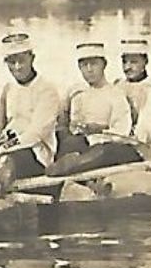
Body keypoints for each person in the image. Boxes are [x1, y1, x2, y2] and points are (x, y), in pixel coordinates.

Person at [0, 30, 62, 197]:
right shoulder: (9, 88)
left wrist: (0, 151)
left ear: (32, 58)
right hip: (6, 145)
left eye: (22, 60)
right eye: (12, 62)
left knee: (9, 161)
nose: (17, 67)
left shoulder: (47, 90)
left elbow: (35, 134)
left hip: (35, 153)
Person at [47, 40, 143, 177]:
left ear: (104, 65)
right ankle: (65, 164)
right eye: (84, 65)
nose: (89, 69)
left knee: (105, 151)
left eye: (94, 64)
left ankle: (74, 165)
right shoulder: (75, 92)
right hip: (80, 144)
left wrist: (99, 129)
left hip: (106, 144)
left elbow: (122, 132)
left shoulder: (115, 94)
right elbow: (62, 121)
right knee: (69, 141)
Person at [115, 35, 151, 148]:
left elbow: (147, 129)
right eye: (125, 62)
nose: (127, 67)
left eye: (133, 62)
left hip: (141, 146)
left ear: (145, 62)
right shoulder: (117, 86)